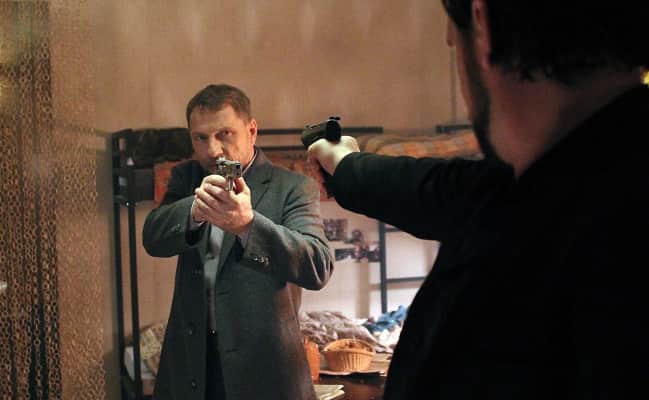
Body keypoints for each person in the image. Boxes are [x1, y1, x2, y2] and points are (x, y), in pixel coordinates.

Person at [307, 1, 649, 399]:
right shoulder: (583, 172)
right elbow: (437, 189)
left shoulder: (553, 239)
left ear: (483, 27)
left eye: (453, 41)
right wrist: (346, 166)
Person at [142, 83, 334, 400]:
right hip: (192, 366)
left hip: (265, 369)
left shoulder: (293, 186)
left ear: (252, 131)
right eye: (200, 138)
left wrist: (248, 226)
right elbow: (153, 238)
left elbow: (318, 266)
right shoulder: (186, 178)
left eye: (224, 134)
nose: (212, 150)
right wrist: (194, 210)